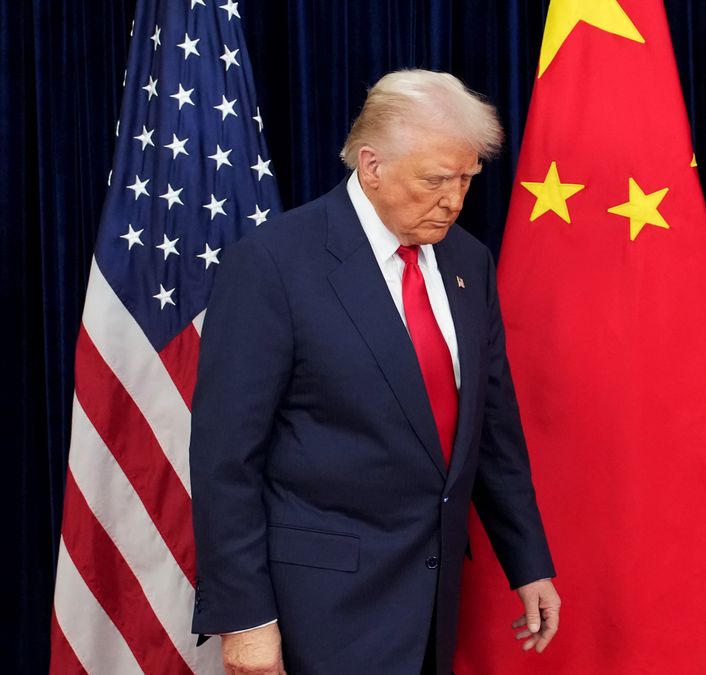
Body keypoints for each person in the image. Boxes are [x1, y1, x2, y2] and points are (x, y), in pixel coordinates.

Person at [189, 69, 561, 675]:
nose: (455, 200)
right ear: (372, 165)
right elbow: (225, 459)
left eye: (467, 179)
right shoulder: (274, 263)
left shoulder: (468, 260)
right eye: (437, 180)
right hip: (317, 609)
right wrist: (245, 620)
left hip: (432, 603)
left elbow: (490, 429)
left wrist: (528, 562)